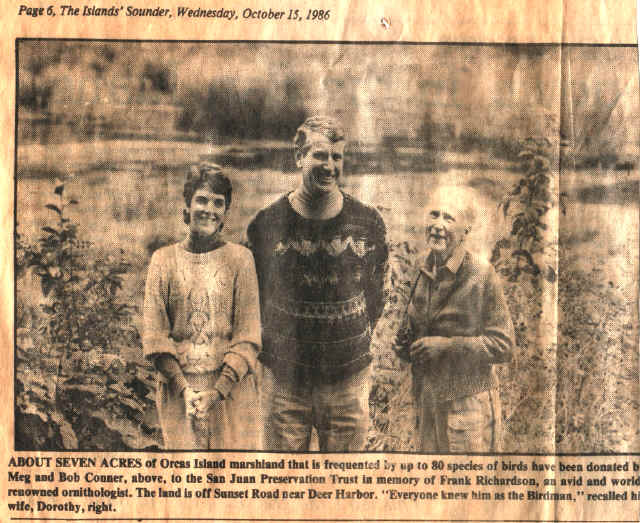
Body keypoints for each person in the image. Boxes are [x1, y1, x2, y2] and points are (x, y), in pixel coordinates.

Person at [247, 116, 388, 451]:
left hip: (348, 381)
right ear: (298, 157)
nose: (329, 166)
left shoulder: (368, 223)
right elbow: (255, 302)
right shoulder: (266, 225)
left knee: (341, 489)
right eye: (320, 156)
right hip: (284, 382)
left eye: (337, 157)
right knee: (281, 489)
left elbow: (377, 299)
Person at [143, 163, 261, 449]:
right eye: (202, 199)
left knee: (234, 482)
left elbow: (248, 336)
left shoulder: (241, 260)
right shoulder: (163, 261)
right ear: (186, 206)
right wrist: (185, 391)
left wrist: (218, 391)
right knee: (187, 484)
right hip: (179, 393)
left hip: (231, 394)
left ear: (225, 214)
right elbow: (155, 336)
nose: (209, 209)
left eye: (218, 203)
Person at [394, 185, 514, 452]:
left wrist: (447, 346)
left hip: (467, 406)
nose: (438, 225)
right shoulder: (423, 268)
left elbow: (504, 346)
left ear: (466, 231)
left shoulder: (482, 274)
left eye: (449, 218)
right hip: (428, 402)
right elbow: (417, 331)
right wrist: (405, 344)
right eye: (433, 215)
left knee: (465, 489)